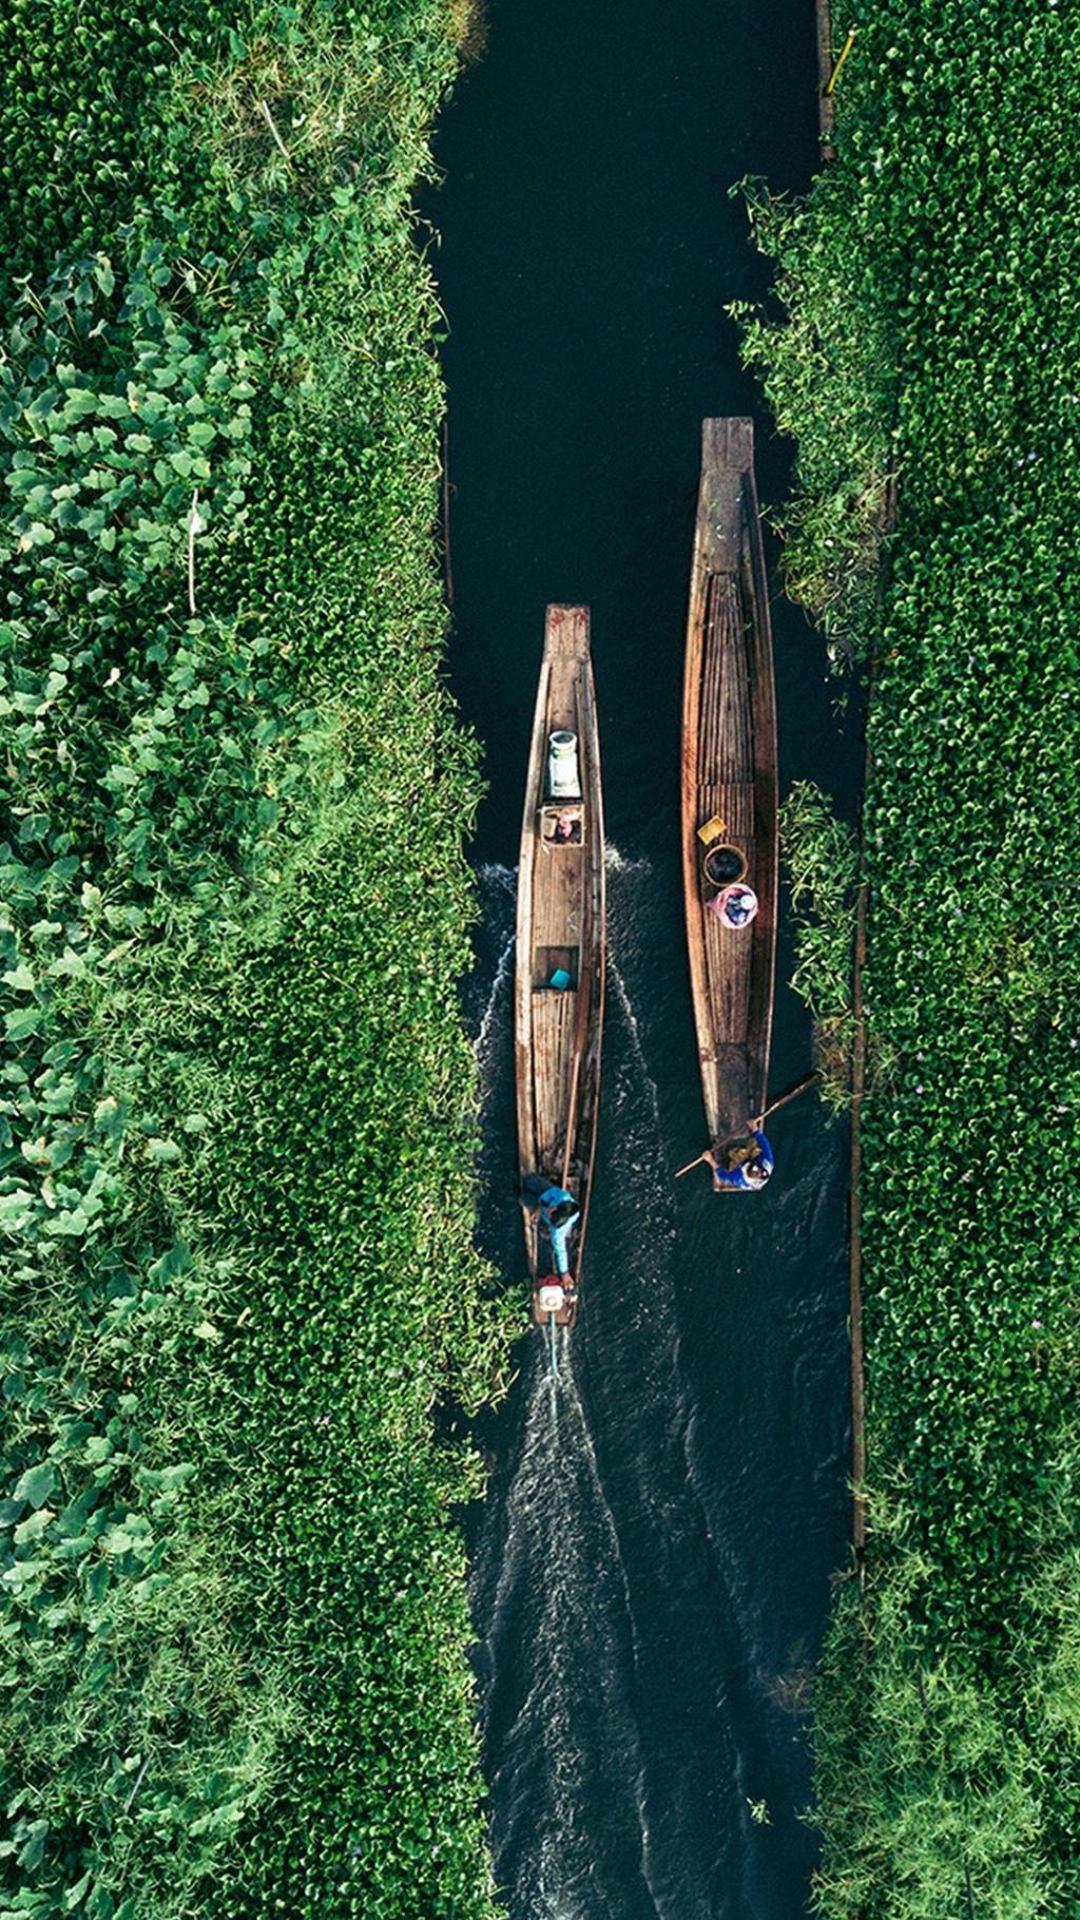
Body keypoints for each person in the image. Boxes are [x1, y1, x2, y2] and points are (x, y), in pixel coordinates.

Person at [521, 1173, 580, 1276]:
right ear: (555, 1208)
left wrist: (564, 1272)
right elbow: (552, 1199)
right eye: (550, 1213)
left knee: (522, 1198)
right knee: (528, 1180)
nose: (549, 1214)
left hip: (540, 1206)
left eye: (549, 1217)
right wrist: (540, 1208)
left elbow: (561, 1251)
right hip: (546, 1193)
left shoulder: (557, 1231)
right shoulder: (563, 1198)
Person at [707, 1118, 774, 1191]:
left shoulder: (738, 1178)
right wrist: (755, 1129)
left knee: (734, 1154)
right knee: (756, 1151)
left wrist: (710, 1160)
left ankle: (735, 1156)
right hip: (753, 1160)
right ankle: (749, 1151)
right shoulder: (767, 1163)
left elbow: (724, 1176)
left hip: (741, 1168)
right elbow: (765, 1145)